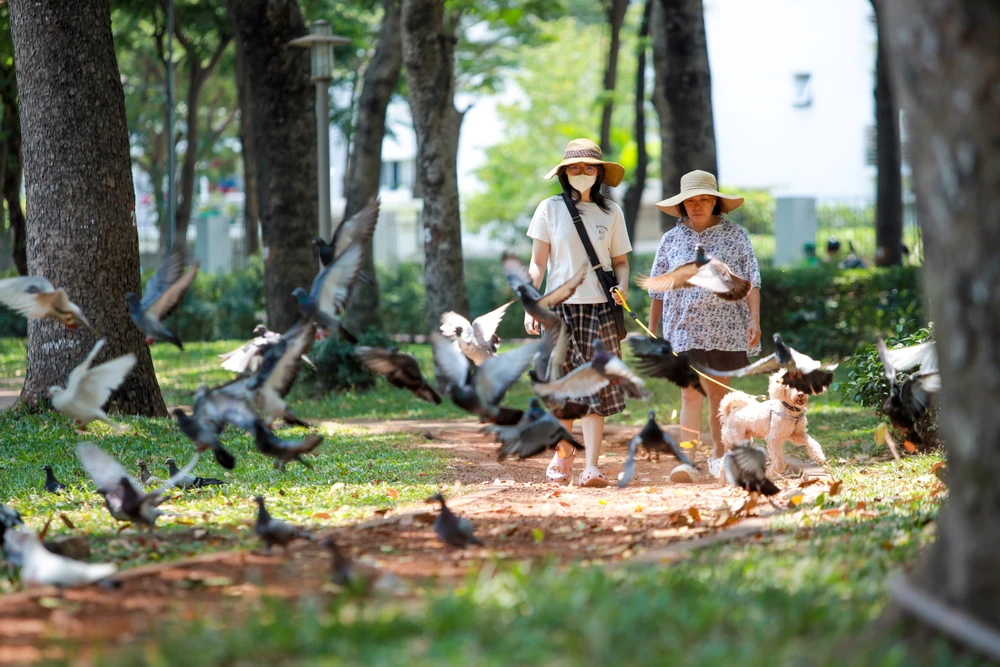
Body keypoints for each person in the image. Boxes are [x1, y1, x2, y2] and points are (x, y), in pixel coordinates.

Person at [523, 138, 632, 488]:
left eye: (588, 167)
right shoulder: (549, 209)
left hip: (601, 308)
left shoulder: (611, 212)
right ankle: (564, 453)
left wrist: (622, 286)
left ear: (599, 172)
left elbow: (621, 262)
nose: (581, 172)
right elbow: (538, 264)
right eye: (574, 167)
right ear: (564, 172)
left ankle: (592, 466)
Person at [646, 170, 761, 481]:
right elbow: (657, 290)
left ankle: (720, 458)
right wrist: (653, 330)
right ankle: (688, 461)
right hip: (684, 328)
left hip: (728, 329)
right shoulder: (670, 239)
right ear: (682, 205)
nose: (697, 206)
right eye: (691, 201)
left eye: (705, 199)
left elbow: (752, 280)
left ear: (715, 202)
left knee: (720, 398)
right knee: (690, 394)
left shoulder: (736, 235)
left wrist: (754, 318)